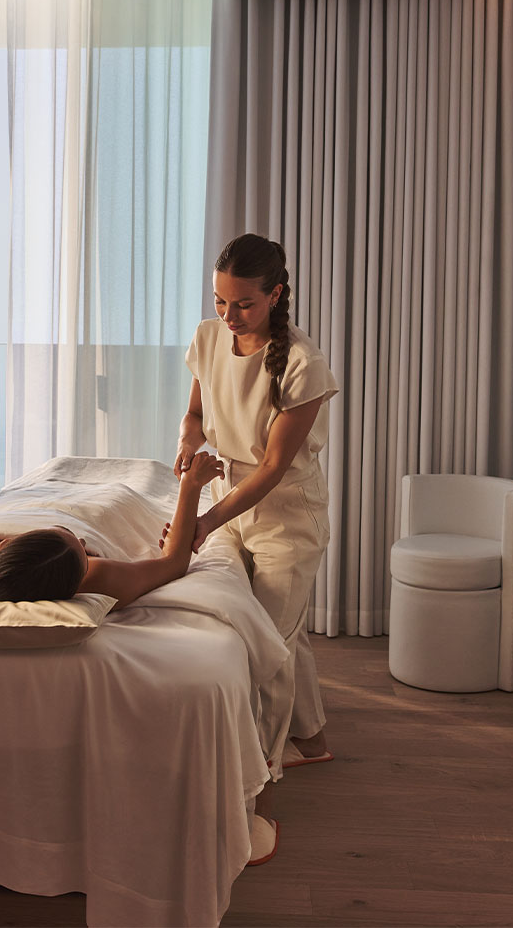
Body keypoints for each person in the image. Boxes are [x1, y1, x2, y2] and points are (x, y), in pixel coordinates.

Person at [175, 232, 338, 857]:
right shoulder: (209, 337)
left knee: (264, 651)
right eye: (220, 301)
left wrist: (206, 522)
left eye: (242, 304)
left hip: (285, 520)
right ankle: (313, 741)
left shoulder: (302, 363)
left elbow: (271, 469)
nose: (227, 315)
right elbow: (195, 413)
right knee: (279, 632)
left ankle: (257, 797)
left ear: (274, 294)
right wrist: (190, 442)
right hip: (232, 505)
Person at [0, 452, 224, 608]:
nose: (82, 539)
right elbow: (172, 564)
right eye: (82, 547)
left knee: (49, 476)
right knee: (119, 494)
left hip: (31, 504)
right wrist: (191, 487)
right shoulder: (101, 577)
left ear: (8, 541)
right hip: (99, 507)